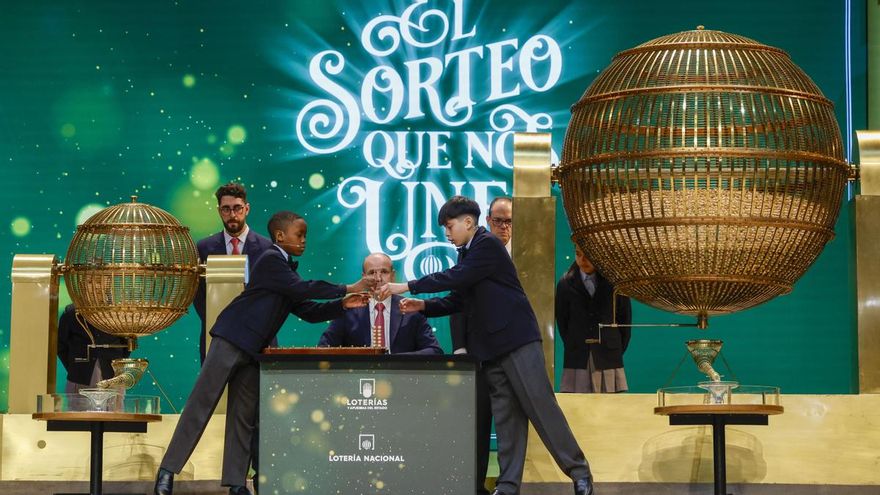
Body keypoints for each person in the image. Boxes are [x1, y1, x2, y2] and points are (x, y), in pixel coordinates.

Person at [378, 196, 594, 495]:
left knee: (541, 407)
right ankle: (507, 486)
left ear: (469, 222)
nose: (447, 233)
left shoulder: (486, 245)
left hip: (516, 340)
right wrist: (422, 307)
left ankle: (579, 472)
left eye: (450, 226)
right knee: (507, 419)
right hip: (490, 350)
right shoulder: (466, 255)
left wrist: (408, 286)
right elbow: (458, 299)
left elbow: (457, 278)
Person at [154, 211, 374, 495]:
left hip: (254, 349)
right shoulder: (271, 259)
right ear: (280, 236)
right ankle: (167, 472)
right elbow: (302, 290)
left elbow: (307, 311)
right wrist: (347, 287)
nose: (305, 241)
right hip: (231, 338)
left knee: (243, 416)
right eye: (300, 234)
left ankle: (236, 483)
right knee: (201, 404)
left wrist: (342, 305)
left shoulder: (286, 271)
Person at [194, 182, 274, 363]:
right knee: (216, 390)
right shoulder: (204, 248)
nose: (232, 215)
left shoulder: (268, 249)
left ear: (247, 209)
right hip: (217, 337)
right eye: (226, 209)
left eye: (237, 208)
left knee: (257, 391)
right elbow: (198, 295)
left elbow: (274, 295)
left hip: (259, 337)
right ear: (219, 211)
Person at [318, 253, 443, 355]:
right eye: (372, 273)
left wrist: (394, 362)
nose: (378, 278)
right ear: (363, 277)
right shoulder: (349, 308)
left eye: (384, 272)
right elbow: (324, 348)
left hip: (400, 380)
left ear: (393, 275)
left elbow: (434, 351)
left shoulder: (410, 307)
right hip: (358, 379)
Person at [556, 244, 632, 393]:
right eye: (578, 254)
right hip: (577, 355)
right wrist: (575, 342)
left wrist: (613, 345)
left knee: (610, 407)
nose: (582, 260)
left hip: (609, 353)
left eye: (588, 255)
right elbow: (562, 321)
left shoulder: (615, 282)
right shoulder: (565, 283)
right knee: (579, 407)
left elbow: (625, 320)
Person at [57, 304, 130, 392]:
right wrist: (76, 369)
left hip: (114, 374)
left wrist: (118, 365)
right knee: (80, 405)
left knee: (114, 405)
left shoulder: (119, 313)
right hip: (82, 377)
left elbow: (127, 343)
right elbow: (61, 345)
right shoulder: (71, 314)